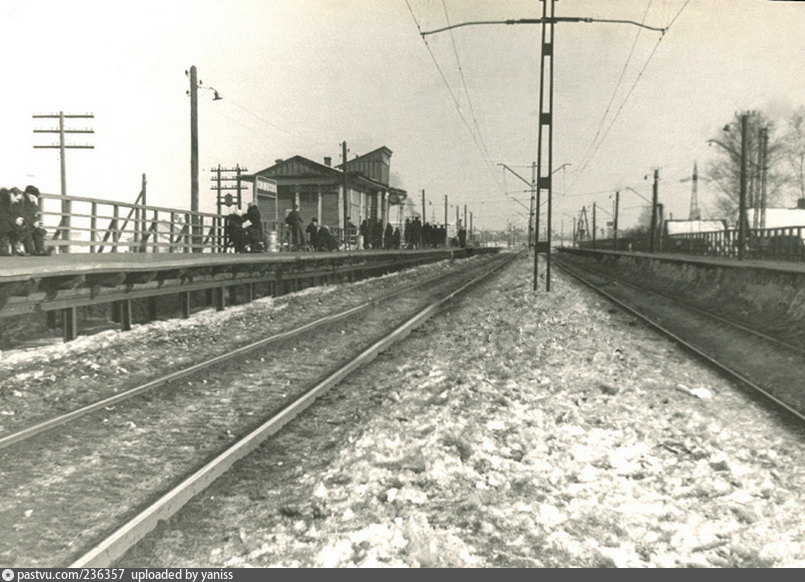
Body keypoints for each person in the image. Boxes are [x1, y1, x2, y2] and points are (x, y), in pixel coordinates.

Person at [21, 185, 47, 255]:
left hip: (29, 223)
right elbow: (21, 214)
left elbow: (34, 215)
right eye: (33, 196)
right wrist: (33, 222)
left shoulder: (32, 203)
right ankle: (30, 250)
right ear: (27, 194)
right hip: (22, 223)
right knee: (28, 229)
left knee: (38, 229)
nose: (34, 198)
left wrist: (38, 222)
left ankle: (40, 250)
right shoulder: (22, 201)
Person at [0, 188, 16, 256]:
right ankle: (7, 248)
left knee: (6, 225)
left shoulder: (6, 204)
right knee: (6, 225)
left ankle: (7, 248)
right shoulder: (6, 204)